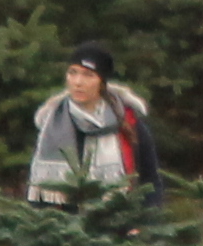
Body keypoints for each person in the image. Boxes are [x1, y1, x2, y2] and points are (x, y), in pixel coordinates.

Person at [26, 43, 153, 203]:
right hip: (63, 223)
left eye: (88, 75)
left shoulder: (126, 120)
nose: (78, 82)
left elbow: (150, 179)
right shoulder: (51, 124)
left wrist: (141, 224)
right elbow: (39, 192)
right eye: (73, 73)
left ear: (102, 81)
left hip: (118, 220)